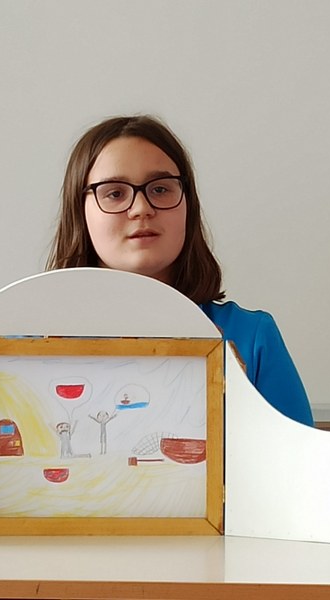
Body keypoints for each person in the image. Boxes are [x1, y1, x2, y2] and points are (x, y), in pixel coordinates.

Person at [46, 115, 314, 427]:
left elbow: (298, 458)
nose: (141, 208)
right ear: (79, 210)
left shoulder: (250, 337)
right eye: (115, 193)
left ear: (188, 204)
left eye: (160, 189)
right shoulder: (25, 346)